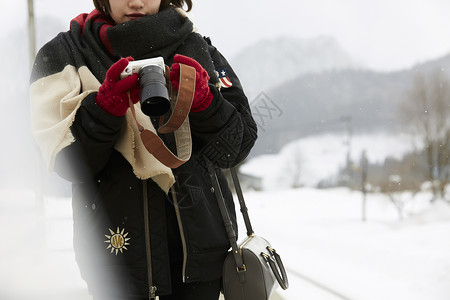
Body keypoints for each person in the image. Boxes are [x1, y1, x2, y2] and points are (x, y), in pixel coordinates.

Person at [29, 0, 257, 299]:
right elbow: (66, 162)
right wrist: (104, 107)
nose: (136, 1)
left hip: (202, 260)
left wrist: (204, 101)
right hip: (116, 261)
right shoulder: (62, 55)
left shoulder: (197, 48)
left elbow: (236, 147)